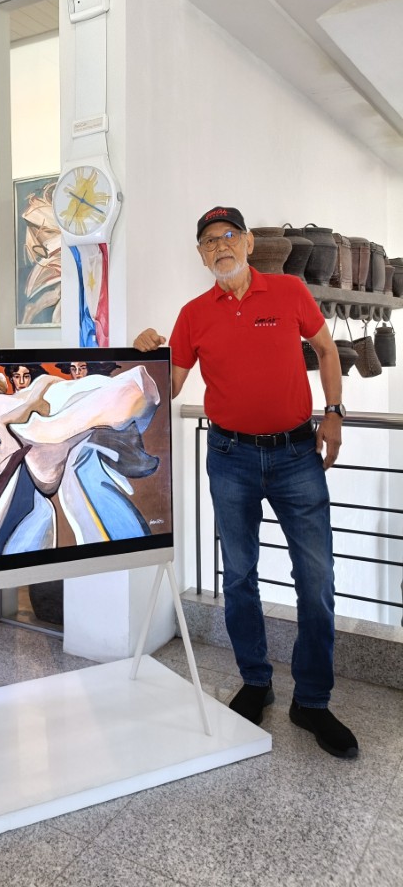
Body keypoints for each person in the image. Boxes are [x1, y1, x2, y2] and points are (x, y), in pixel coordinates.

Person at [134, 206, 358, 759]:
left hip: (296, 455)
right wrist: (146, 356)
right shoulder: (193, 315)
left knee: (316, 578)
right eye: (209, 241)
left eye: (228, 235)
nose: (220, 246)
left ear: (249, 242)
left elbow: (327, 349)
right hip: (230, 457)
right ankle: (256, 681)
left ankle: (312, 700)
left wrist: (333, 412)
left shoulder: (288, 292)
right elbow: (172, 387)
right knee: (238, 576)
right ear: (201, 254)